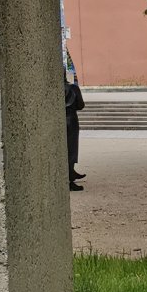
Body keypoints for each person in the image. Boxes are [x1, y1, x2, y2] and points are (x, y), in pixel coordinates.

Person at [65, 54, 85, 190]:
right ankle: (70, 177)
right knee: (71, 149)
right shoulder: (73, 88)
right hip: (71, 120)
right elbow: (80, 105)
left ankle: (71, 173)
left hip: (59, 120)